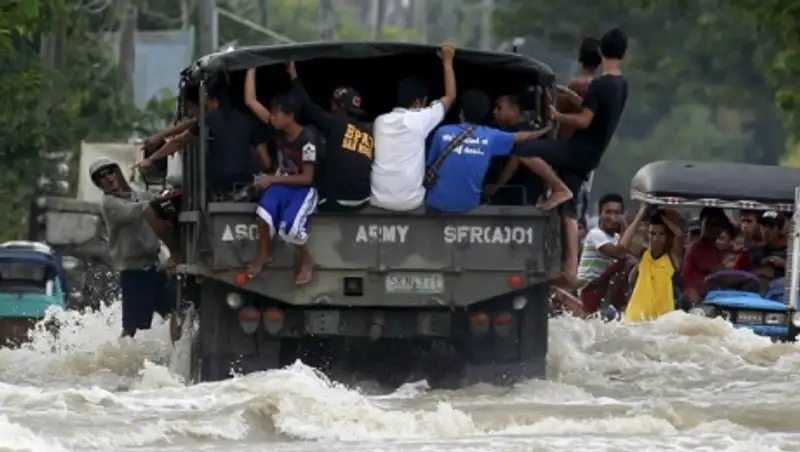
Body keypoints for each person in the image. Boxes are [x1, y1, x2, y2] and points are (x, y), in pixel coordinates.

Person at [513, 28, 629, 286]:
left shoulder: (599, 84)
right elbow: (594, 111)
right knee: (570, 209)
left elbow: (585, 120)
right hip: (593, 155)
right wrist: (572, 97)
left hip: (577, 150)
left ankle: (557, 188)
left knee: (524, 151)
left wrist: (557, 116)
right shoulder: (621, 85)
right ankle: (571, 269)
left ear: (601, 52)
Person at [133, 81, 271, 202]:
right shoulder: (251, 122)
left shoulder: (208, 121)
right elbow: (266, 163)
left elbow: (178, 141)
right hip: (249, 190)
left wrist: (150, 160)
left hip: (217, 192)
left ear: (214, 100)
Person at [90, 157, 179, 339]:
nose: (108, 178)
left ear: (117, 173)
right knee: (131, 331)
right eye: (101, 177)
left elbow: (155, 200)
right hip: (135, 273)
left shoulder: (137, 194)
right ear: (99, 183)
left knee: (177, 309)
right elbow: (144, 209)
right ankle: (119, 363)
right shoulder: (110, 204)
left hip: (155, 266)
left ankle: (178, 350)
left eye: (110, 172)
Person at [424, 90, 552, 213]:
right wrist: (545, 130)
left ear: (460, 113)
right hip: (469, 204)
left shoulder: (442, 133)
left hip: (436, 202)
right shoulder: (491, 136)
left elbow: (430, 165)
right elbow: (520, 137)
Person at [244, 94, 322, 285]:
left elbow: (307, 178)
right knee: (262, 212)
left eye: (276, 114)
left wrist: (271, 179)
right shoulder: (279, 130)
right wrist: (252, 66)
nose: (272, 118)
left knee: (290, 230)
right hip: (282, 185)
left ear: (290, 116)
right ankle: (264, 254)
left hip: (302, 189)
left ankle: (307, 259)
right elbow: (251, 101)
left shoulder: (308, 139)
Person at [370, 43, 457, 211]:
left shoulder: (379, 121)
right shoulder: (420, 118)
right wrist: (447, 61)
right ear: (419, 102)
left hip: (378, 199)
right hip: (411, 203)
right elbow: (450, 96)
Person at [287, 61, 373, 211]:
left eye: (333, 104)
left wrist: (293, 75)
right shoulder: (367, 131)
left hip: (336, 200)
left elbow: (307, 105)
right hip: (362, 199)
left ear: (338, 106)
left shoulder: (334, 122)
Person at [621, 205, 684, 322]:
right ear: (648, 235)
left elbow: (679, 234)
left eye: (661, 234)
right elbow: (624, 245)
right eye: (652, 234)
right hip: (635, 320)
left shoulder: (672, 258)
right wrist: (639, 216)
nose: (656, 238)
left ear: (668, 236)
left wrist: (660, 215)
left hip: (662, 322)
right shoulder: (643, 254)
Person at [484, 93, 545, 205]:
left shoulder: (515, 133)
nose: (494, 112)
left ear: (514, 110)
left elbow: (513, 163)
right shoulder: (530, 130)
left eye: (499, 108)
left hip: (516, 191)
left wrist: (497, 187)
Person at [682, 207, 731, 305]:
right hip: (696, 299)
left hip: (710, 296)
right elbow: (723, 273)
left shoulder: (713, 248)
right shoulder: (698, 247)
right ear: (701, 224)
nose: (711, 227)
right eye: (708, 223)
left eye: (716, 224)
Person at [576, 193, 628, 284]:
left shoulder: (617, 238)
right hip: (588, 287)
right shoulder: (595, 234)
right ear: (600, 214)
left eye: (617, 213)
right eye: (608, 212)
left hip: (604, 289)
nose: (612, 217)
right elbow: (619, 254)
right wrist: (624, 225)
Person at [556, 37, 602, 140]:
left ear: (580, 59)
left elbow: (558, 107)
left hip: (567, 141)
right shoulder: (600, 86)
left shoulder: (576, 85)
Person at [735, 210, 787, 280]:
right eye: (764, 226)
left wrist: (784, 264)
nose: (766, 230)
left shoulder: (793, 253)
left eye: (771, 227)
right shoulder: (752, 251)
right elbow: (736, 275)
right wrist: (759, 271)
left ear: (781, 230)